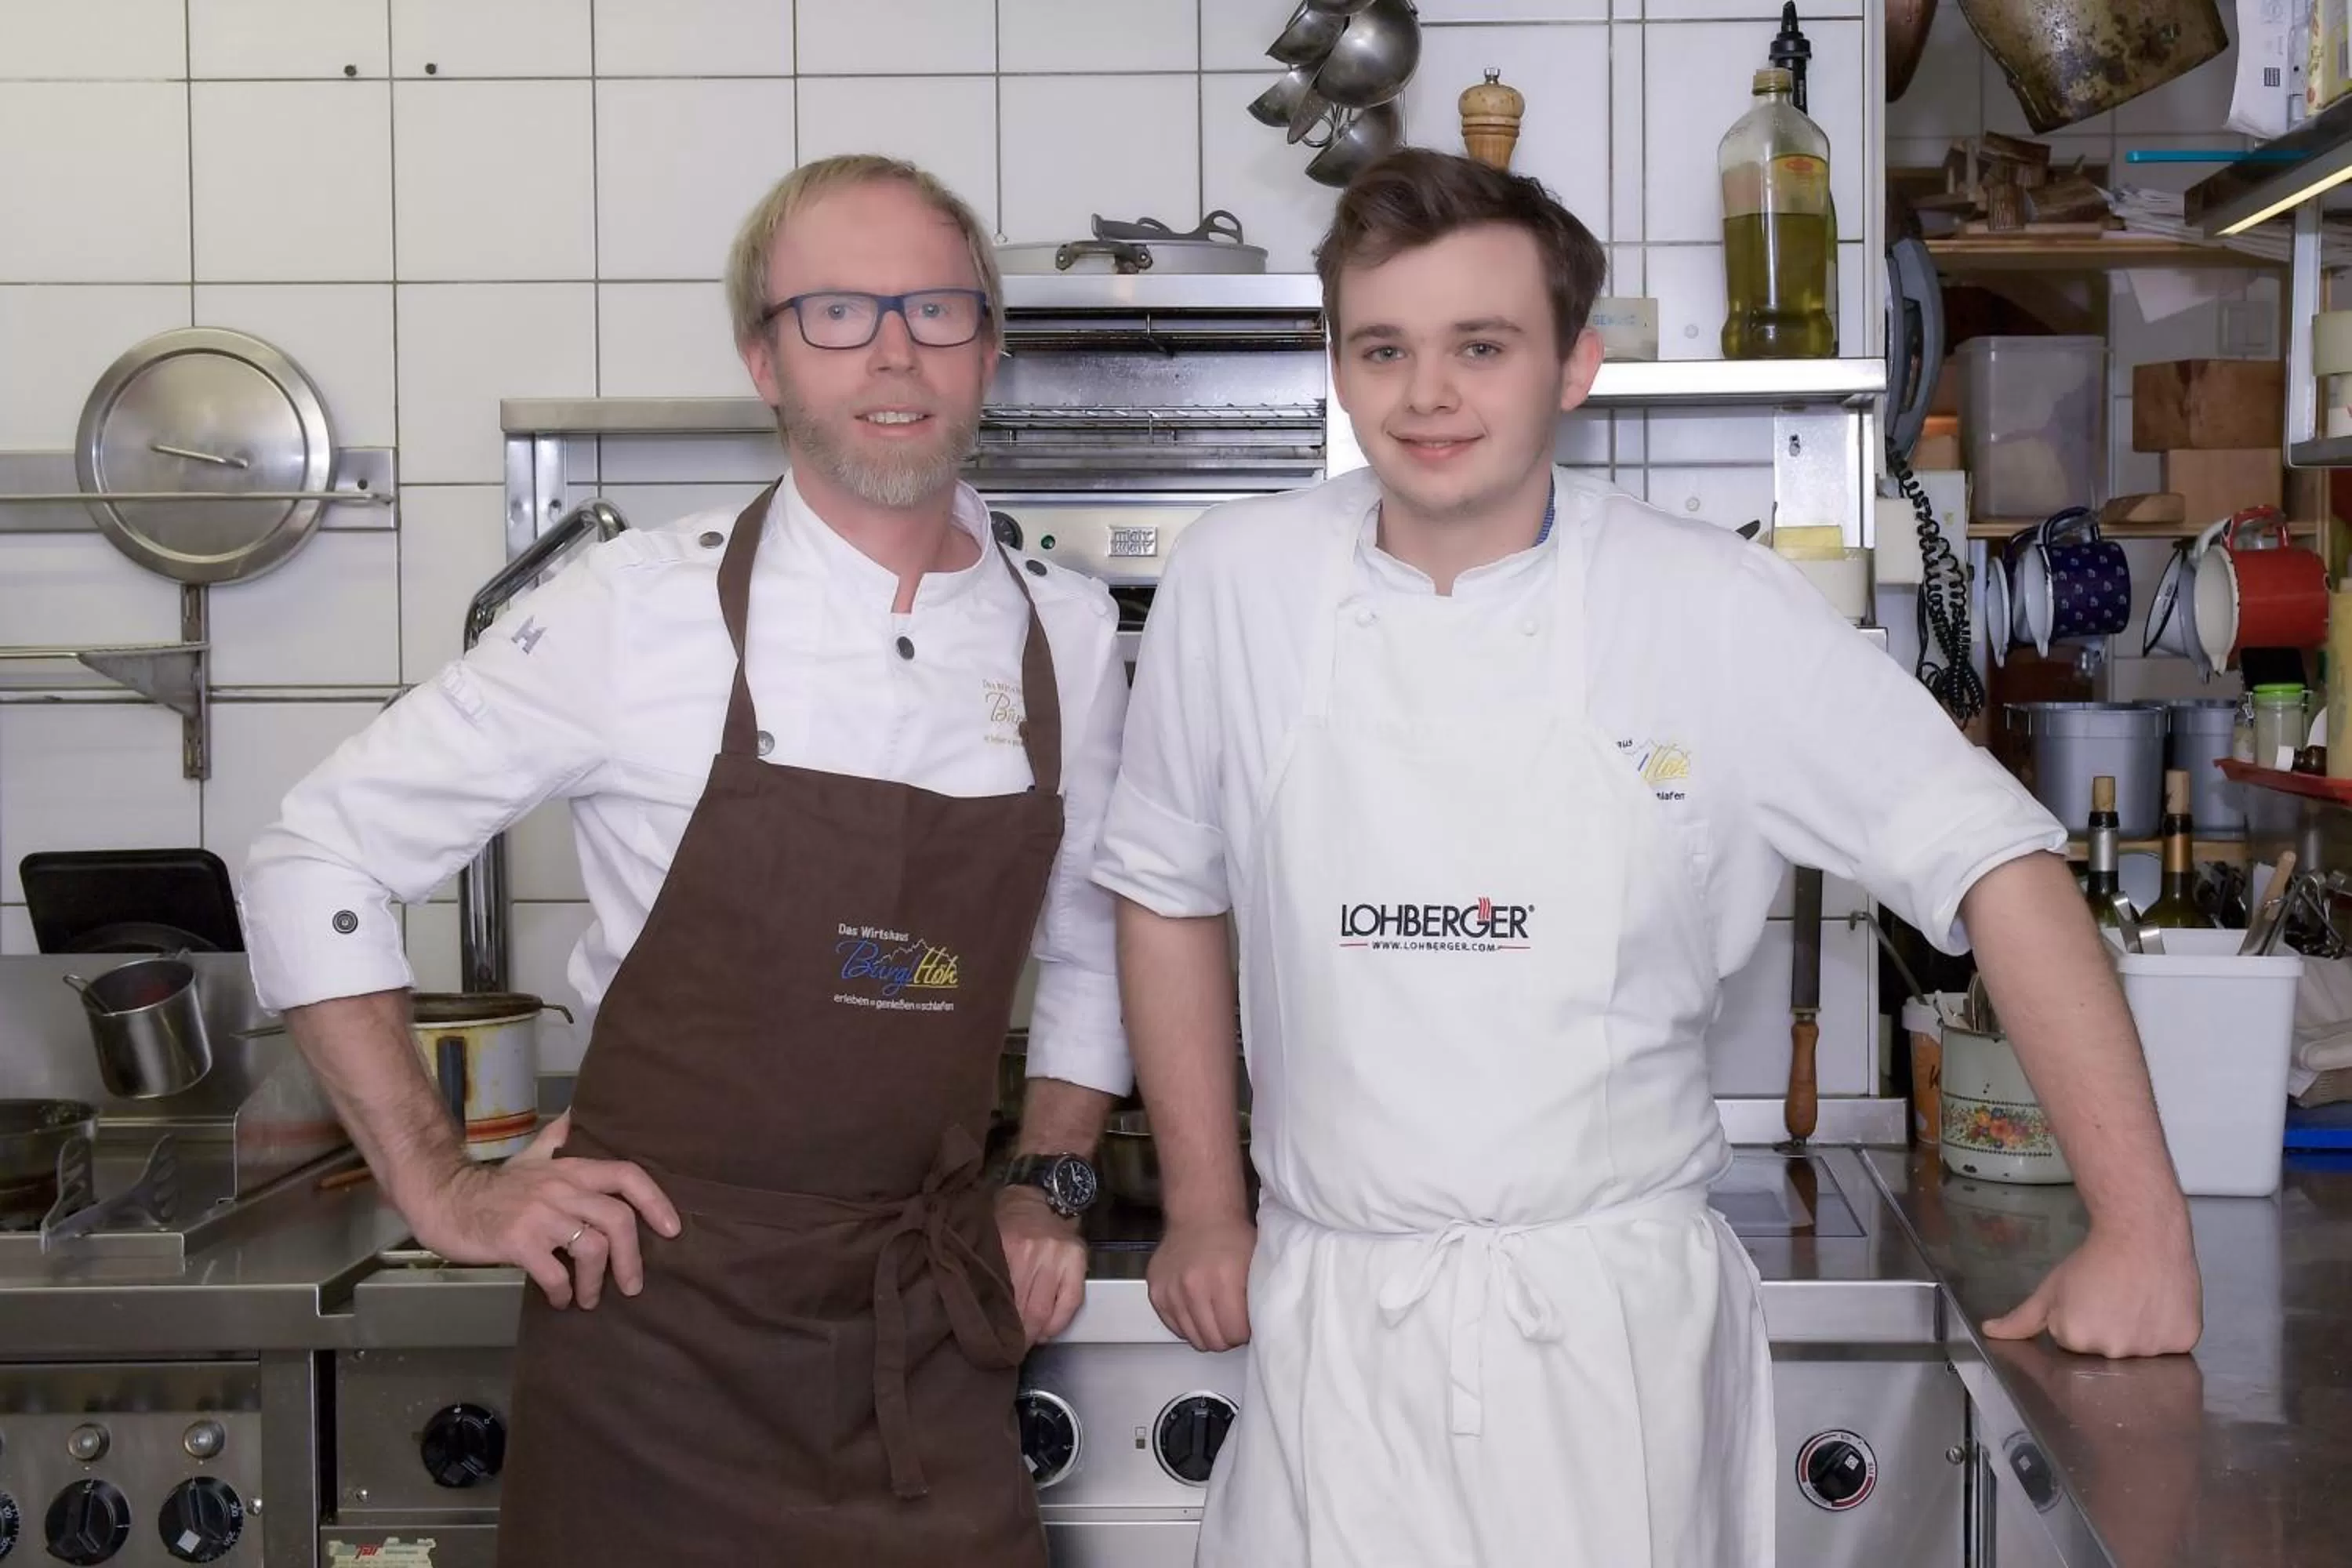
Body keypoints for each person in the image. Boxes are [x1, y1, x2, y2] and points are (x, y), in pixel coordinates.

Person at [1093, 147, 2201, 1566]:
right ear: (1338, 367)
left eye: (1481, 346)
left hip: (1608, 1337)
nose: (1428, 394)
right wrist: (1203, 1205)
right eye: (1384, 349)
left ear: (1575, 366)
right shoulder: (1234, 586)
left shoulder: (1710, 605)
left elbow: (2003, 863)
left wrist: (2142, 1230)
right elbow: (1168, 892)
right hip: (1331, 1332)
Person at [240, 154, 1131, 1566]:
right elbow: (314, 857)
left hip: (929, 1330)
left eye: (936, 308)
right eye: (836, 312)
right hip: (657, 1343)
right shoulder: (633, 611)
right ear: (764, 360)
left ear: (989, 348)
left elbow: (1093, 941)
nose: (893, 351)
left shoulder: (1065, 635)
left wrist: (1051, 1179)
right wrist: (440, 1184)